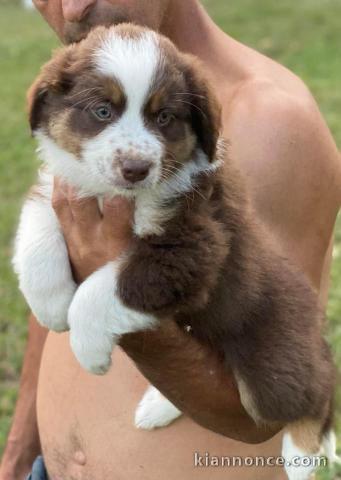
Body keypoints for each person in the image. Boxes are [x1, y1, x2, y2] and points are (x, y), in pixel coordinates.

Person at [1, 1, 340, 479]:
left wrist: (115, 315)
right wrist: (20, 447)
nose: (72, 6)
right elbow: (63, 284)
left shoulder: (272, 123)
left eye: (162, 121)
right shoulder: (88, 79)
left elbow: (263, 363)